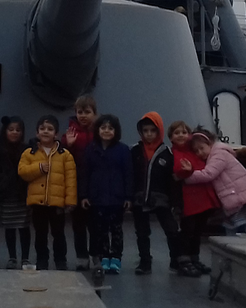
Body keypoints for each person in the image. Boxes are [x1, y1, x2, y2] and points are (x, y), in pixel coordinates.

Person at [130, 111, 190, 276]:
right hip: (139, 198)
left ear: (159, 131)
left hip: (161, 199)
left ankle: (175, 260)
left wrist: (176, 203)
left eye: (153, 130)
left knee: (171, 230)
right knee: (142, 233)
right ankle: (145, 262)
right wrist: (128, 197)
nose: (149, 134)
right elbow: (130, 175)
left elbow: (173, 181)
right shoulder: (135, 151)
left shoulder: (167, 154)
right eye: (145, 131)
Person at [180, 127, 246, 238]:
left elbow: (209, 174)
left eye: (202, 148)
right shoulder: (215, 155)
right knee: (237, 228)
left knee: (243, 228)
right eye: (196, 151)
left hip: (241, 198)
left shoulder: (218, 155)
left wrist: (187, 177)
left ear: (210, 143)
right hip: (239, 197)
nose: (200, 153)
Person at [19, 114, 77, 271]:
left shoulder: (65, 155)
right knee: (40, 233)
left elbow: (70, 179)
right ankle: (42, 259)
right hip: (38, 203)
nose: (46, 131)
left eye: (50, 129)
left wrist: (70, 200)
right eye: (42, 128)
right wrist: (38, 168)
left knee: (58, 233)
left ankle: (60, 260)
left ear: (56, 134)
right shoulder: (29, 153)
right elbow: (22, 171)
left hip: (57, 203)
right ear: (37, 132)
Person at [79, 114, 132, 276]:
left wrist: (128, 196)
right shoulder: (90, 149)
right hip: (97, 198)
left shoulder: (123, 150)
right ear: (97, 130)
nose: (106, 131)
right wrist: (84, 195)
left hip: (116, 198)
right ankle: (103, 257)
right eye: (103, 128)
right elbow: (85, 174)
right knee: (100, 230)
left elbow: (128, 174)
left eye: (110, 128)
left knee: (116, 230)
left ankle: (115, 257)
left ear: (116, 131)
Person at [169, 120, 219, 273]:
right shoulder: (174, 153)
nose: (181, 135)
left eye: (184, 132)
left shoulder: (194, 150)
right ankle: (183, 260)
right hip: (188, 200)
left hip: (201, 198)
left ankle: (194, 258)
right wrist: (187, 171)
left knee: (198, 230)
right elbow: (177, 173)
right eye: (177, 133)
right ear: (171, 137)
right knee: (187, 231)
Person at [0, 115, 30, 269]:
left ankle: (25, 258)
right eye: (11, 129)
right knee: (9, 226)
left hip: (22, 193)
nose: (14, 132)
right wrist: (0, 183)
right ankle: (12, 257)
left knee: (24, 226)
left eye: (18, 130)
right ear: (5, 131)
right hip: (6, 193)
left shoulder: (27, 149)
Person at [65, 95, 98, 270]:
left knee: (95, 223)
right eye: (80, 112)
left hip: (94, 184)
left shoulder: (99, 133)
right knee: (78, 223)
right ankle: (81, 256)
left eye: (87, 112)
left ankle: (96, 254)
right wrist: (69, 145)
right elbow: (63, 158)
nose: (83, 116)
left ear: (94, 113)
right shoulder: (70, 134)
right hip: (76, 184)